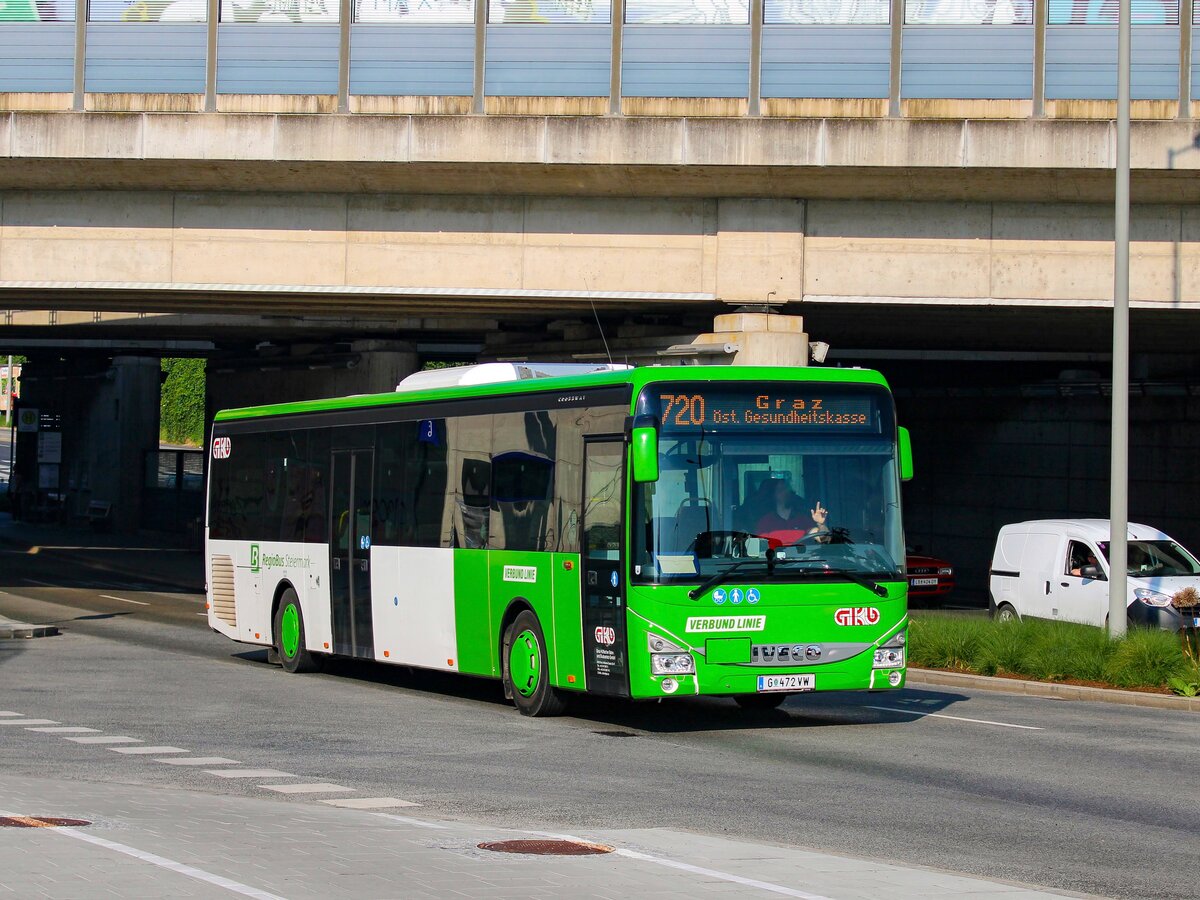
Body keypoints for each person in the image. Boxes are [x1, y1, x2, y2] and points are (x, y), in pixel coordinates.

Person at [754, 478, 829, 548]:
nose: (785, 493)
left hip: (801, 561)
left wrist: (821, 524)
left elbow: (824, 539)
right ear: (773, 496)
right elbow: (760, 549)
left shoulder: (802, 520)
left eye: (787, 490)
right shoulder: (765, 522)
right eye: (781, 490)